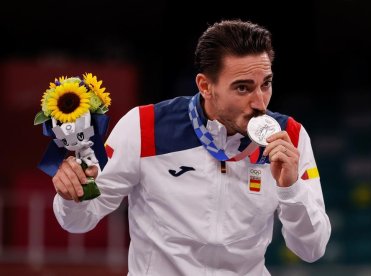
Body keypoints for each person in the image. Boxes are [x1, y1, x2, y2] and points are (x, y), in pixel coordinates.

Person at [52, 19, 331, 275]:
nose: (260, 103)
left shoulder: (289, 137)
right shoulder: (145, 127)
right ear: (206, 86)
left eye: (266, 84)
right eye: (243, 88)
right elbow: (79, 221)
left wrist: (291, 188)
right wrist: (72, 194)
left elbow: (311, 249)